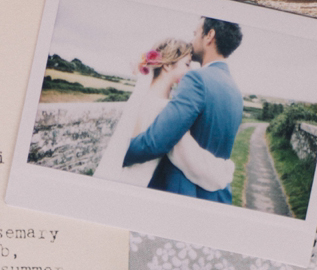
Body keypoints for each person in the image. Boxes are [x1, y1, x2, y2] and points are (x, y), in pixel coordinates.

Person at [123, 18, 244, 203]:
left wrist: (119, 153)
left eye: (195, 33)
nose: (192, 39)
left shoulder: (197, 79)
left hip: (184, 193)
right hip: (217, 196)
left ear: (209, 36)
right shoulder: (236, 91)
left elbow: (156, 141)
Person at [94, 37, 236, 191]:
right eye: (187, 64)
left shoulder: (143, 99)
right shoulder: (163, 109)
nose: (190, 71)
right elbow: (191, 160)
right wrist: (225, 170)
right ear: (167, 65)